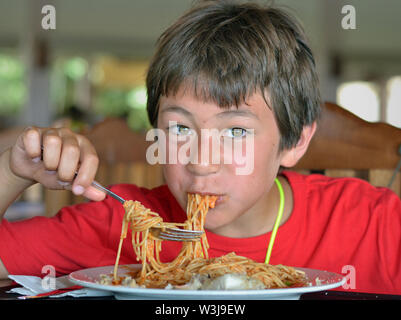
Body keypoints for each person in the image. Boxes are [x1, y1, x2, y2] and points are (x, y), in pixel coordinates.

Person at [0, 0, 400, 295]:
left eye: (236, 133)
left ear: (294, 142)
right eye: (179, 129)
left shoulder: (371, 223)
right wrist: (11, 171)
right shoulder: (122, 224)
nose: (202, 163)